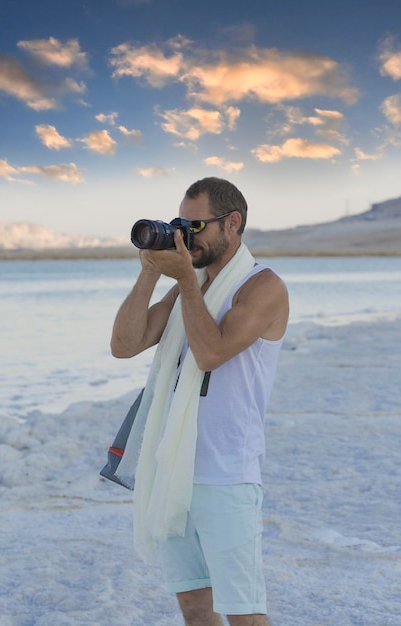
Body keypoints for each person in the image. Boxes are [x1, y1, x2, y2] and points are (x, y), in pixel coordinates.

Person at [111, 177, 289, 626]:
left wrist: (187, 281)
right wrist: (151, 271)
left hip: (225, 476)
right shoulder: (189, 287)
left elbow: (211, 353)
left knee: (244, 613)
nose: (185, 236)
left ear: (232, 223)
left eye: (196, 225)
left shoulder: (261, 287)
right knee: (194, 607)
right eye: (180, 225)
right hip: (173, 472)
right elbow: (124, 344)